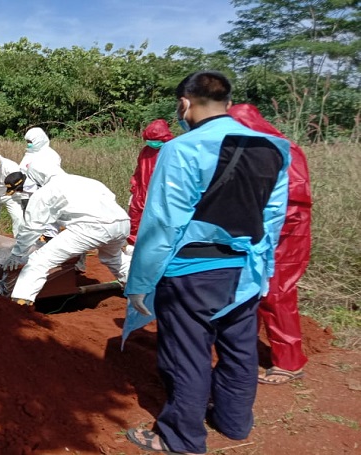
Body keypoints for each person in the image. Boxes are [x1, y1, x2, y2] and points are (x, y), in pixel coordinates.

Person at [122, 71, 290, 455]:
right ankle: (234, 422)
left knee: (187, 354)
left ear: (184, 103)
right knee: (239, 349)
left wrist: (140, 283)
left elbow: (163, 224)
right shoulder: (275, 148)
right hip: (245, 270)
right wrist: (263, 272)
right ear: (228, 104)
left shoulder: (181, 149)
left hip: (192, 271)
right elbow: (274, 218)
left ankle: (181, 438)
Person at [229, 103, 312, 385]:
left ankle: (289, 363)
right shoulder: (249, 150)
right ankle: (245, 351)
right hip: (259, 233)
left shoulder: (281, 150)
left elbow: (292, 201)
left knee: (277, 294)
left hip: (286, 236)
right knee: (251, 290)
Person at [3, 158, 131, 306]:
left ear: (35, 177)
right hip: (121, 222)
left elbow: (32, 228)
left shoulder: (46, 191)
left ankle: (20, 304)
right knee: (114, 258)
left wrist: (17, 253)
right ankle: (139, 290)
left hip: (91, 228)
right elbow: (110, 198)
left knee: (39, 261)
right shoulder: (87, 181)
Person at [127, 119, 175, 252]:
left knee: (161, 223)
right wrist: (134, 189)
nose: (152, 142)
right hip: (142, 192)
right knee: (136, 218)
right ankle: (134, 246)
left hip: (163, 194)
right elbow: (139, 171)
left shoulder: (172, 150)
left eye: (156, 139)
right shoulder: (146, 151)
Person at [19, 127, 62, 211]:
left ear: (39, 140)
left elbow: (52, 175)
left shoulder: (50, 155)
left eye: (30, 142)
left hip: (42, 194)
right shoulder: (30, 152)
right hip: (26, 193)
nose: (28, 144)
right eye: (27, 142)